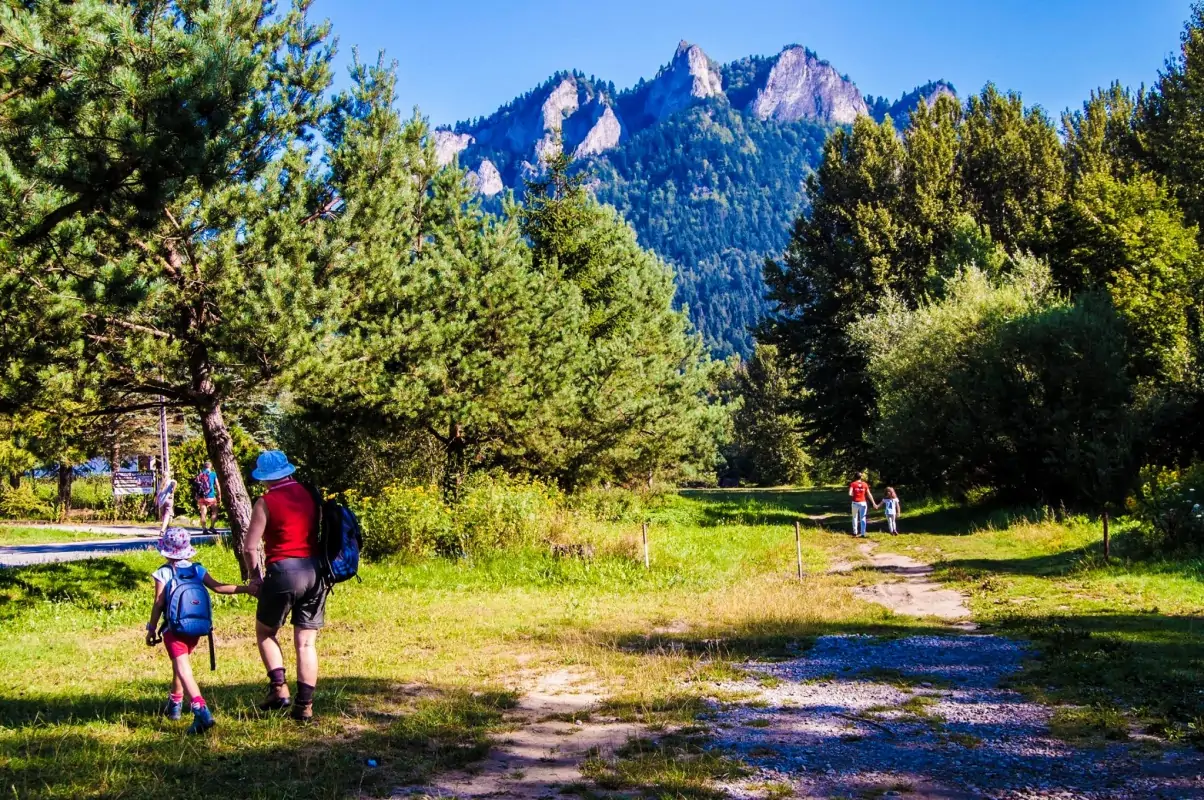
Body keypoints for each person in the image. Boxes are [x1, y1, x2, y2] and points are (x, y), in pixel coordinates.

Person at [244, 450, 325, 723]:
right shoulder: (310, 494)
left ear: (266, 477)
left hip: (283, 572)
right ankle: (305, 706)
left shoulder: (266, 502)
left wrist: (255, 577)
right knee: (306, 643)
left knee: (265, 632)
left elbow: (250, 548)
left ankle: (279, 690)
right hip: (315, 571)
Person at [145, 527, 250, 734]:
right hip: (196, 628)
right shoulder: (197, 569)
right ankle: (175, 704)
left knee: (184, 669)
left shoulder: (163, 572)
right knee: (179, 665)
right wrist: (247, 588)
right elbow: (219, 587)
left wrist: (151, 628)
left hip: (174, 628)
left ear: (166, 551)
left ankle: (201, 710)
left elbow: (159, 603)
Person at [194, 461, 222, 535]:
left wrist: (196, 495)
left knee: (203, 513)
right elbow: (217, 485)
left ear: (204, 467)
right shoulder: (213, 474)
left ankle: (204, 529)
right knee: (215, 511)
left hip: (201, 497)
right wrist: (219, 495)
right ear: (211, 467)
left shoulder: (200, 474)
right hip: (211, 496)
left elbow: (196, 486)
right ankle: (212, 527)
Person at [848, 472, 876, 537]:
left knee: (854, 517)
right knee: (863, 518)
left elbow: (850, 493)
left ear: (855, 477)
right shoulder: (865, 484)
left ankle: (855, 532)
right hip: (863, 503)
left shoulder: (853, 484)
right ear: (861, 477)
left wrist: (855, 494)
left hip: (855, 503)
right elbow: (869, 494)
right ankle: (863, 533)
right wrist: (873, 503)